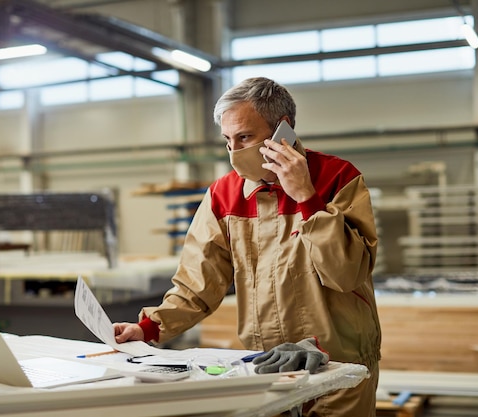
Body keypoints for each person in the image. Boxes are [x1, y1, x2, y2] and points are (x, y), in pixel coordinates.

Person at [114, 77, 381, 416]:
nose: (234, 153)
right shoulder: (222, 196)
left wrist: (306, 198)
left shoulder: (339, 178)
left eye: (245, 138)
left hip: (338, 366)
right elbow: (198, 283)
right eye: (227, 141)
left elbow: (346, 273)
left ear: (283, 131)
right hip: (266, 367)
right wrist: (149, 327)